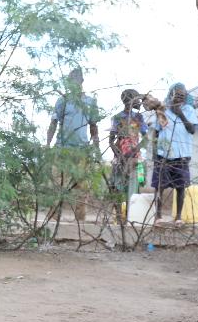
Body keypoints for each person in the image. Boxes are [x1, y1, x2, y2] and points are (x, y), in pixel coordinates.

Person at [46, 67, 101, 221]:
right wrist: (47, 145)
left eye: (76, 80)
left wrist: (97, 151)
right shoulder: (62, 101)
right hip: (61, 149)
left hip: (82, 151)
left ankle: (80, 224)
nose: (73, 83)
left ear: (82, 81)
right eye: (70, 81)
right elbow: (53, 123)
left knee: (81, 189)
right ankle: (52, 222)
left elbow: (94, 127)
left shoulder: (90, 102)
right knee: (57, 186)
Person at [150, 82, 198, 224]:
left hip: (182, 155)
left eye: (182, 96)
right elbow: (156, 132)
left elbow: (192, 130)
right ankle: (158, 216)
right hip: (163, 154)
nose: (179, 98)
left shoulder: (189, 110)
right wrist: (154, 155)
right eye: (177, 95)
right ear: (171, 94)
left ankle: (178, 217)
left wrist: (181, 114)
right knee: (160, 186)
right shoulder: (163, 110)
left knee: (181, 186)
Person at [109, 88, 146, 202]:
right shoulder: (118, 118)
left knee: (139, 182)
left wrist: (135, 150)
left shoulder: (138, 117)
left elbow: (147, 136)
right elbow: (111, 141)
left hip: (136, 157)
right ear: (129, 101)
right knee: (118, 185)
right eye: (136, 99)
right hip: (121, 157)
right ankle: (121, 213)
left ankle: (131, 212)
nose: (139, 102)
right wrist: (119, 156)